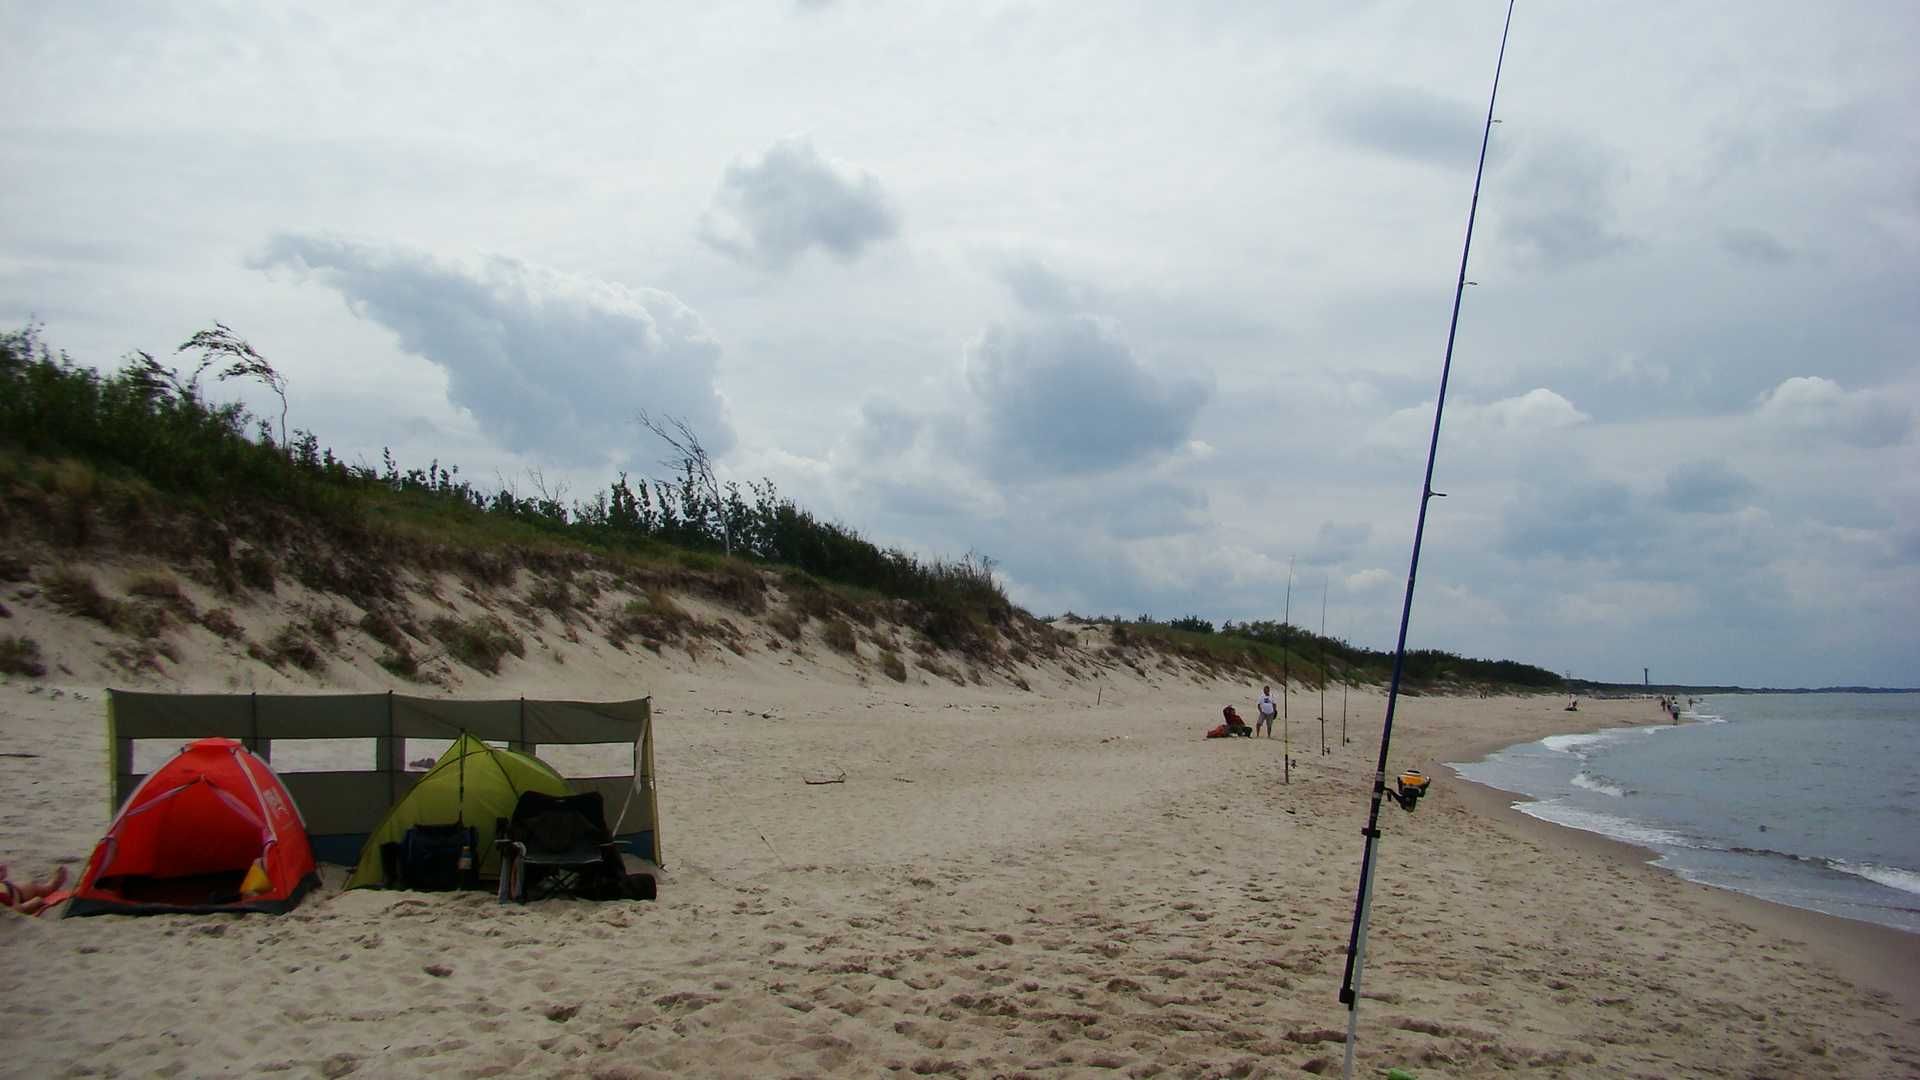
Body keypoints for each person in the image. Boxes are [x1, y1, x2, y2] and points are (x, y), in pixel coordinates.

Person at [0, 863, 69, 915]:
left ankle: (51, 885)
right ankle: (50, 887)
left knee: (38, 888)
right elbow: (16, 910)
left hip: (14, 891)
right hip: (15, 897)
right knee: (35, 895)